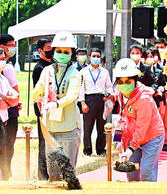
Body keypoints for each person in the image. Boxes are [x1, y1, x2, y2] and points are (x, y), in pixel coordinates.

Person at [31, 31, 82, 182]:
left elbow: (72, 95)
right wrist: (39, 94)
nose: (62, 54)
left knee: (68, 175)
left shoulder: (75, 73)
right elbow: (36, 93)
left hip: (69, 129)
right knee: (53, 175)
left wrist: (56, 103)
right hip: (50, 130)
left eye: (66, 51)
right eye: (58, 51)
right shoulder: (47, 71)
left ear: (72, 53)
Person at [113, 58, 165, 182]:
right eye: (120, 81)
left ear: (135, 80)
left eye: (127, 81)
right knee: (131, 172)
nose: (123, 85)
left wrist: (130, 149)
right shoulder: (120, 94)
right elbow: (121, 119)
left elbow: (142, 128)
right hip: (133, 137)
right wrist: (119, 141)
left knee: (146, 172)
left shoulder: (144, 99)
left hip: (152, 137)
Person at [78, 48, 113, 156]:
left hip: (101, 99)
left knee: (101, 126)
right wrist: (83, 103)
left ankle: (101, 149)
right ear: (89, 57)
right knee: (88, 126)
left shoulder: (105, 72)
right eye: (94, 56)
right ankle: (87, 149)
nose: (96, 58)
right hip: (89, 100)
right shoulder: (83, 72)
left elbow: (109, 86)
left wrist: (108, 95)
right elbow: (81, 88)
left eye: (98, 56)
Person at [32, 37, 53, 179]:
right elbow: (37, 93)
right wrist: (40, 112)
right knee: (43, 142)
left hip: (54, 110)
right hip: (42, 110)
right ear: (40, 51)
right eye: (48, 49)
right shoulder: (39, 68)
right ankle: (42, 173)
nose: (52, 52)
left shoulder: (52, 65)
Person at [0, 35, 21, 180]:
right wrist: (9, 101)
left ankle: (6, 174)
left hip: (9, 113)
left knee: (8, 145)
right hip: (6, 113)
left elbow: (16, 96)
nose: (13, 48)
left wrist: (7, 100)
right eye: (10, 45)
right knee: (4, 145)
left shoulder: (5, 69)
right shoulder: (5, 68)